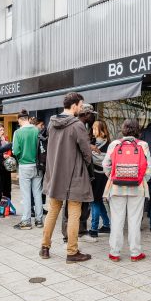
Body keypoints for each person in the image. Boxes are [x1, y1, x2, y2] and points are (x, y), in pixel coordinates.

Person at [39, 92, 94, 263]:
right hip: (74, 175)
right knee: (74, 213)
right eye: (81, 104)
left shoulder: (52, 123)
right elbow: (87, 153)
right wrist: (86, 163)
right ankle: (72, 252)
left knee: (53, 211)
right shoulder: (77, 125)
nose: (82, 107)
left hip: (55, 173)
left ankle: (44, 247)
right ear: (75, 105)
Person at [103, 119, 151, 262]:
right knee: (134, 221)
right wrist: (141, 180)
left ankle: (114, 252)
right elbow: (149, 167)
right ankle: (135, 253)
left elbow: (105, 164)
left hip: (117, 187)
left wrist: (113, 176)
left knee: (117, 220)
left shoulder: (114, 144)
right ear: (137, 130)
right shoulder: (143, 145)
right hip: (137, 188)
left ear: (123, 129)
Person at [61, 103, 96, 242]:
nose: (93, 117)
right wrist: (87, 163)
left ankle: (81, 231)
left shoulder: (82, 126)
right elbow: (84, 152)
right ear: (86, 114)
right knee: (70, 206)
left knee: (84, 203)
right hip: (76, 171)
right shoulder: (76, 126)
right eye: (92, 114)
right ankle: (67, 237)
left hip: (81, 170)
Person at [12, 109, 44, 229]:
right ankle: (39, 220)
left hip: (24, 165)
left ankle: (26, 221)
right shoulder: (37, 130)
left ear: (20, 119)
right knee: (38, 193)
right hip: (37, 165)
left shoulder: (18, 132)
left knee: (26, 195)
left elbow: (16, 151)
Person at [89, 120, 111, 238]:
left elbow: (98, 160)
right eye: (92, 128)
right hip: (101, 176)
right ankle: (107, 225)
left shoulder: (105, 146)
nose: (93, 130)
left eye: (95, 128)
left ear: (102, 131)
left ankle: (93, 228)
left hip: (99, 177)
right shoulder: (95, 143)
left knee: (95, 202)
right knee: (98, 201)